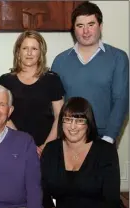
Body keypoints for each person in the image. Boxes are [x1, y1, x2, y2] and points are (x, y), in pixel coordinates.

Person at [41, 97, 129, 208]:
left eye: (79, 121)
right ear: (61, 122)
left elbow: (111, 200)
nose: (72, 127)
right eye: (68, 119)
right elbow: (42, 192)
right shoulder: (51, 149)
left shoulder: (106, 150)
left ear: (88, 123)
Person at [51, 2, 129, 145]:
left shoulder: (118, 58)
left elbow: (121, 101)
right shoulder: (60, 61)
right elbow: (55, 106)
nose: (86, 31)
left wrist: (109, 139)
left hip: (104, 139)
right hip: (68, 140)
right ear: (73, 29)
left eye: (91, 24)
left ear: (100, 26)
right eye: (80, 26)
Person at [0, 30, 64, 155]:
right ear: (18, 52)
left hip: (47, 149)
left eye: (34, 48)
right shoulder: (5, 81)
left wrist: (46, 146)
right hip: (14, 147)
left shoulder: (52, 79)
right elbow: (2, 116)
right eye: (25, 48)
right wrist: (24, 144)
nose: (29, 53)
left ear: (41, 52)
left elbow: (59, 116)